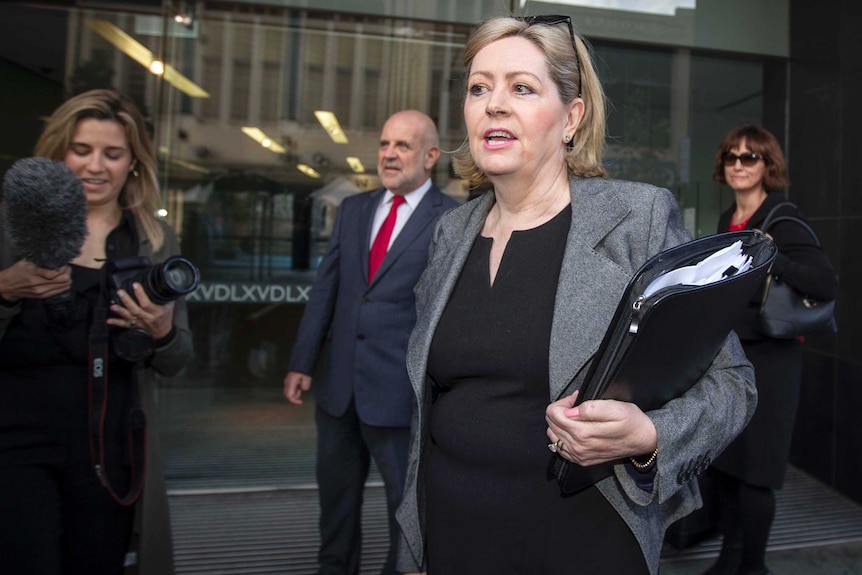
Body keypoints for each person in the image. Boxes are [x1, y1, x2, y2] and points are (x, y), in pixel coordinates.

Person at [394, 15, 758, 575]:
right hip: (453, 538)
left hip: (583, 543)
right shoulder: (450, 233)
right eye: (478, 87)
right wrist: (416, 544)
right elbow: (430, 407)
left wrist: (648, 434)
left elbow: (734, 383)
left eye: (521, 87)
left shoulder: (636, 219)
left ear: (571, 117)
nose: (493, 104)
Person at [0, 89, 193, 575]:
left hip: (110, 445)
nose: (95, 167)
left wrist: (162, 330)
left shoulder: (151, 237)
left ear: (133, 163)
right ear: (58, 150)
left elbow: (177, 359)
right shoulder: (12, 228)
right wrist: (5, 289)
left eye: (113, 154)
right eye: (81, 150)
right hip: (16, 438)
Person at [283, 109, 458, 575]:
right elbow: (327, 289)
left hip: (399, 395)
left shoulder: (453, 220)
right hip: (339, 390)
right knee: (335, 506)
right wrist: (302, 361)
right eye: (384, 144)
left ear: (430, 156)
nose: (389, 154)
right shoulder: (354, 211)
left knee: (405, 512)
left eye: (402, 146)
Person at [702, 125, 838, 575]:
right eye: (732, 157)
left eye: (750, 158)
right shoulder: (729, 219)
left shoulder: (782, 216)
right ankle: (728, 559)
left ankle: (753, 567)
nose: (739, 165)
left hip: (774, 360)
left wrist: (771, 255)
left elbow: (824, 282)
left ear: (768, 166)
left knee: (756, 473)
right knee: (724, 464)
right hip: (732, 355)